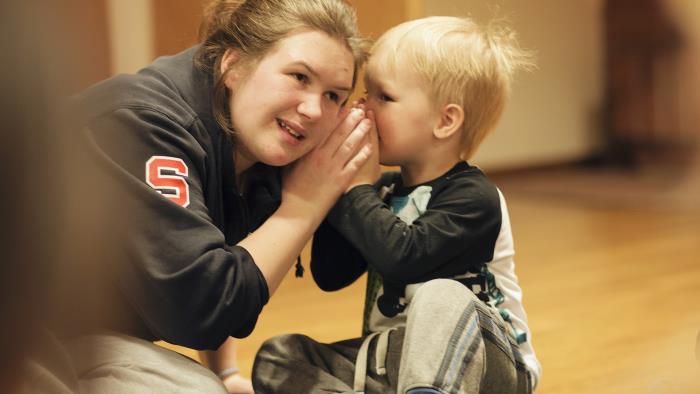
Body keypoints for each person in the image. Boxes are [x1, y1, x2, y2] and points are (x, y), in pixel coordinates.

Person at [60, 0, 372, 392]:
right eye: (299, 76)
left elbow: (210, 247)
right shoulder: (143, 123)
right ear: (234, 65)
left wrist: (225, 374)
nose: (312, 109)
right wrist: (303, 207)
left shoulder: (249, 134)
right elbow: (199, 307)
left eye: (334, 96)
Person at [252, 16, 542, 393]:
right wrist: (335, 186)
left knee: (441, 295)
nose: (363, 108)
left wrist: (357, 190)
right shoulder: (382, 191)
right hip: (394, 362)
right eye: (365, 92)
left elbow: (403, 258)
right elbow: (331, 274)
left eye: (383, 97)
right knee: (280, 358)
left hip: (487, 364)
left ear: (445, 121)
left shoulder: (475, 198)